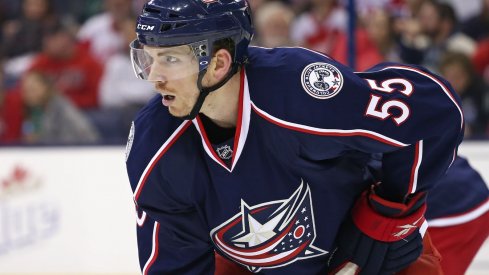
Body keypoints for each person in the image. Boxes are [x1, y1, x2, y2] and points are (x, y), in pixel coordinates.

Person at [126, 0, 463, 274]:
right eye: (148, 58)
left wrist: (392, 208)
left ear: (218, 63)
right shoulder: (155, 145)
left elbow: (435, 110)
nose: (153, 77)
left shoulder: (299, 93)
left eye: (169, 59)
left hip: (369, 261)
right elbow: (175, 264)